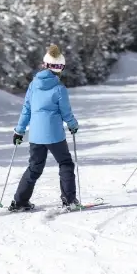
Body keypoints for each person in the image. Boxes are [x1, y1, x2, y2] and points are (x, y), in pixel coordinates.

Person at [10, 44, 81, 212]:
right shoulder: (59, 88)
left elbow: (26, 109)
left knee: (34, 168)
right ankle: (69, 200)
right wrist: (73, 125)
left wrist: (19, 131)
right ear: (59, 68)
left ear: (44, 65)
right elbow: (66, 113)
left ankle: (20, 201)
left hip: (36, 135)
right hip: (54, 135)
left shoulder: (33, 85)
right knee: (65, 163)